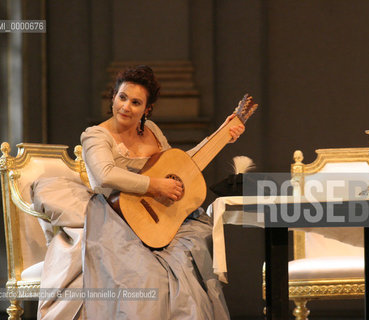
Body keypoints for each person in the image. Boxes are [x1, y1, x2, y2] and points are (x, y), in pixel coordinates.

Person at [80, 65, 245, 319]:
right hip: (115, 219)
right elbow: (106, 174)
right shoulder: (96, 136)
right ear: (113, 97)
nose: (125, 106)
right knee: (148, 276)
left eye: (135, 102)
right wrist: (155, 185)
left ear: (146, 109)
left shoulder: (152, 131)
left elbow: (182, 165)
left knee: (187, 266)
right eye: (122, 97)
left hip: (154, 219)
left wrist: (221, 136)